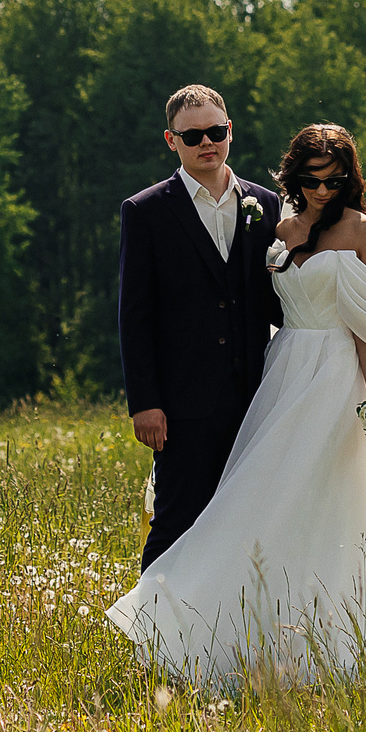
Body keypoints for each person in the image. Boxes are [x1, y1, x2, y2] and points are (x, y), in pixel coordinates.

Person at [107, 121, 366, 685]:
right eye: (313, 180)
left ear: (351, 179)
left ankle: (332, 634)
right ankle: (201, 628)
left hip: (335, 380)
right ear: (294, 177)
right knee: (257, 502)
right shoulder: (275, 225)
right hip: (280, 375)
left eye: (335, 180)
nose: (324, 191)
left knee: (326, 504)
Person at [114, 85, 285, 567]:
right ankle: (153, 636)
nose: (206, 142)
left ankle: (233, 635)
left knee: (253, 519)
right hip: (183, 403)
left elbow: (278, 300)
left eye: (215, 131)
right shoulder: (145, 211)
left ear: (229, 130)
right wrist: (145, 403)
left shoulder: (266, 204)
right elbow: (135, 315)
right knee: (176, 520)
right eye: (193, 136)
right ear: (172, 141)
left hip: (257, 395)